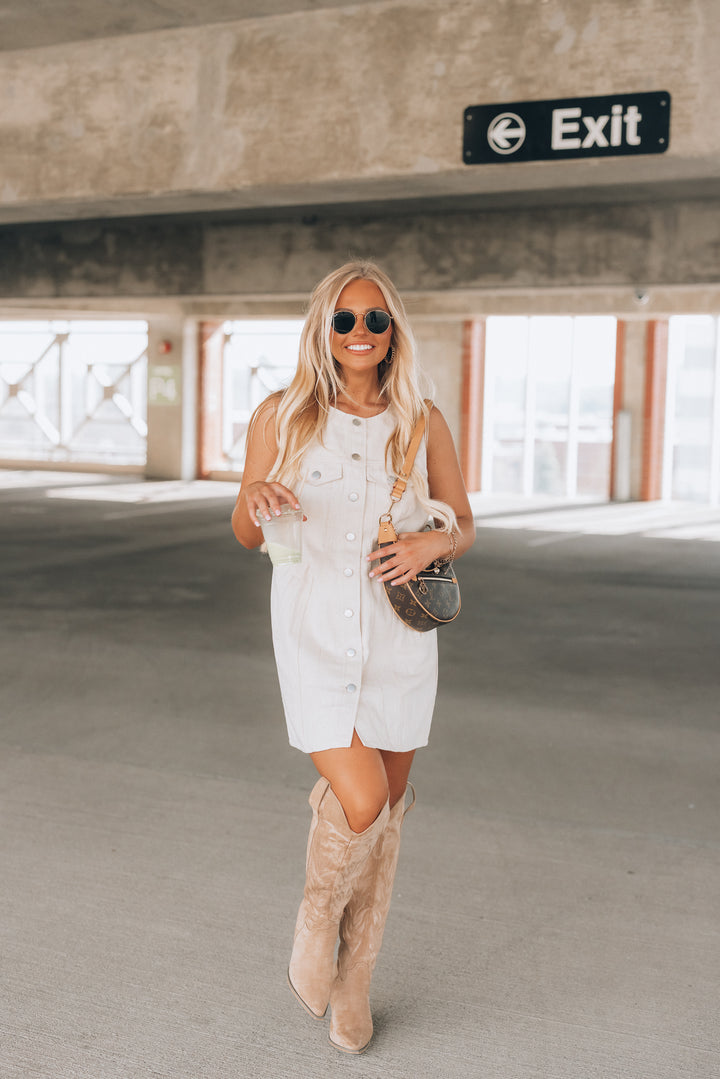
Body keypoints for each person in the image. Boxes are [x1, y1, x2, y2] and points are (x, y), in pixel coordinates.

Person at [231, 260, 475, 1054]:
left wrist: (433, 537)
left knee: (389, 816)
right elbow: (243, 523)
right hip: (311, 632)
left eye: (376, 319)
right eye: (345, 319)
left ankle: (355, 980)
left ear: (393, 329)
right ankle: (313, 930)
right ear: (323, 329)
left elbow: (463, 521)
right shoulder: (283, 414)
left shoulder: (421, 418)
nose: (361, 333)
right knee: (362, 798)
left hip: (399, 640)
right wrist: (259, 501)